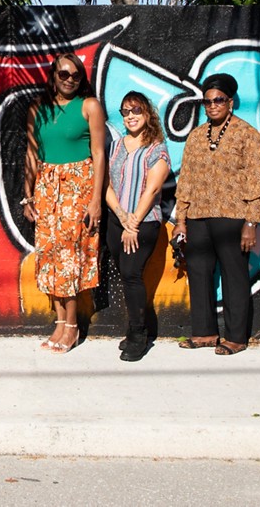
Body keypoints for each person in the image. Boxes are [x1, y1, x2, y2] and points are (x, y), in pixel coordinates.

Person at [174, 73, 260, 356]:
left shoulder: (247, 135)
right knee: (199, 272)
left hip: (233, 217)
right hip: (198, 216)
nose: (212, 105)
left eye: (218, 100)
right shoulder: (195, 137)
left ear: (230, 102)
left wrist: (251, 222)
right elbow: (187, 180)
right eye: (207, 101)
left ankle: (236, 337)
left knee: (234, 275)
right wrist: (181, 220)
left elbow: (258, 180)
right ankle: (204, 332)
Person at [22, 54, 107, 354]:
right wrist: (27, 195)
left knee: (71, 257)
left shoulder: (89, 106)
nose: (69, 79)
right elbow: (32, 154)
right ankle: (59, 322)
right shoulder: (38, 108)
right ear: (53, 76)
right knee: (49, 256)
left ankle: (72, 325)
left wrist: (96, 200)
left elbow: (99, 154)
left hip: (77, 189)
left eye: (76, 75)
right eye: (64, 74)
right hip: (46, 188)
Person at [104, 91, 172, 362]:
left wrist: (132, 224)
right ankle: (133, 328)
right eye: (125, 112)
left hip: (144, 223)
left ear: (147, 113)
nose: (131, 116)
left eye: (136, 111)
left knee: (132, 274)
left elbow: (153, 187)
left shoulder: (157, 148)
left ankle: (139, 336)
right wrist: (121, 216)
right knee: (125, 274)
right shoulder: (117, 146)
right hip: (116, 221)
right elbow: (107, 184)